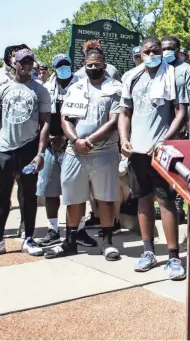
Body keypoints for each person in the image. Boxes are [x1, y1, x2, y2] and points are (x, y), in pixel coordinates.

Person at [119, 35, 188, 280]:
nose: (152, 54)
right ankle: (148, 251)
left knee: (166, 200)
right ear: (142, 52)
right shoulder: (132, 77)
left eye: (156, 50)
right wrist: (124, 139)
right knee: (142, 200)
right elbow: (125, 113)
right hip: (137, 152)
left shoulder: (173, 75)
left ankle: (173, 257)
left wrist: (164, 140)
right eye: (148, 51)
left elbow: (180, 113)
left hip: (161, 151)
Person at [45, 45, 122, 259]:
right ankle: (70, 241)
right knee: (73, 198)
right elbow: (66, 118)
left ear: (105, 66)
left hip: (104, 151)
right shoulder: (76, 88)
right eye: (90, 65)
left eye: (98, 65)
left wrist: (88, 140)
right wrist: (75, 140)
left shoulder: (115, 88)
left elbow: (114, 121)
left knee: (105, 198)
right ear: (84, 66)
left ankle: (107, 242)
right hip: (74, 152)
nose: (94, 68)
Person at [0, 48, 51, 258]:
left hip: (29, 148)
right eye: (22, 62)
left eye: (30, 62)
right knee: (2, 194)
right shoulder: (2, 89)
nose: (26, 66)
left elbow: (46, 122)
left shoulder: (41, 91)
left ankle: (28, 238)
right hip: (5, 149)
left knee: (28, 194)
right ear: (14, 64)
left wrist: (40, 153)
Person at [0, 44, 30, 242]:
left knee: (24, 185)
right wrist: (1, 90)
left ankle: (25, 225)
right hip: (1, 141)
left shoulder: (31, 80)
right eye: (13, 56)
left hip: (25, 142)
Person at [35, 54, 78, 247]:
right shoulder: (45, 89)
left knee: (76, 191)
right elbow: (42, 116)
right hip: (51, 144)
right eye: (59, 66)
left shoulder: (80, 86)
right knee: (50, 189)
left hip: (72, 144)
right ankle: (53, 229)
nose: (64, 68)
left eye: (66, 65)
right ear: (54, 69)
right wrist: (51, 138)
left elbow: (81, 117)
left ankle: (78, 230)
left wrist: (66, 137)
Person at [161, 36, 190, 222]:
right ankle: (168, 203)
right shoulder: (159, 70)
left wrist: (185, 124)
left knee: (180, 167)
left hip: (181, 128)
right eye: (163, 48)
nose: (166, 52)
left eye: (170, 48)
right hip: (162, 126)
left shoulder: (186, 70)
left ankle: (179, 206)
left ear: (178, 50)